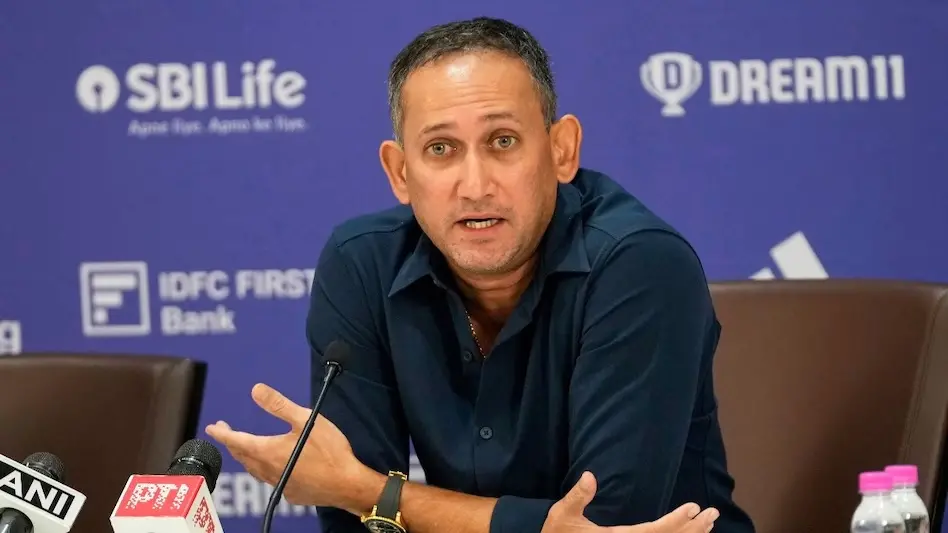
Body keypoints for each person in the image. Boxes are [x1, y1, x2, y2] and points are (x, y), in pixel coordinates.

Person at [206, 16, 756, 533]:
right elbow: (355, 523)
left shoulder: (640, 262)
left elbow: (605, 522)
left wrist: (368, 492)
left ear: (561, 151)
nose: (475, 185)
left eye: (503, 141)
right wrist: (363, 496)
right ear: (400, 172)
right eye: (441, 149)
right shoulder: (362, 263)